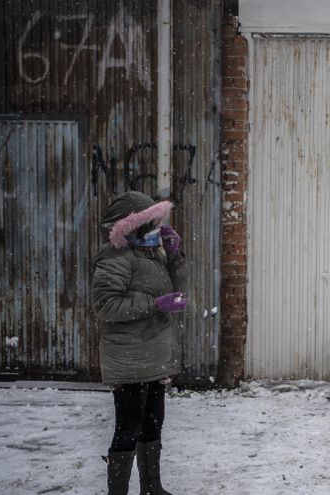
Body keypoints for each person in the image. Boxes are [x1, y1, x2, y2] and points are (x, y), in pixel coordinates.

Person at [91, 191, 187, 495]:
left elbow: (181, 295)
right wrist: (155, 304)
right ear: (135, 227)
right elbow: (105, 305)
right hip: (129, 359)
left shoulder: (153, 254)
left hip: (155, 356)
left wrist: (175, 257)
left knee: (152, 424)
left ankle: (152, 488)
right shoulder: (114, 257)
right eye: (153, 223)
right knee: (127, 429)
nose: (158, 229)